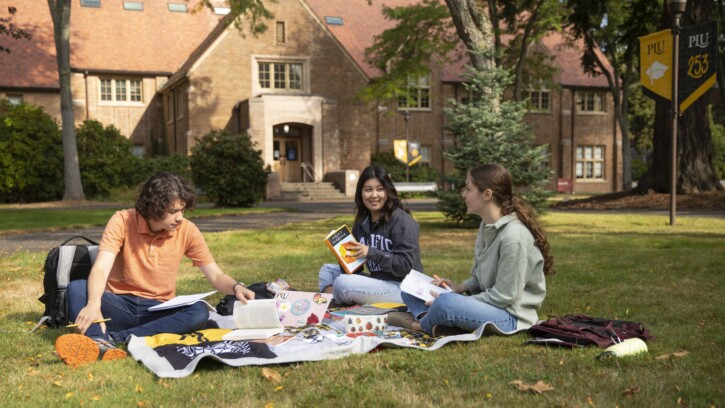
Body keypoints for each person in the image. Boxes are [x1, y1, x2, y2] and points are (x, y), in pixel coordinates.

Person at [54, 172, 256, 367]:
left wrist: (236, 287)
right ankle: (98, 339)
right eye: (172, 211)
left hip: (159, 309)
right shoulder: (122, 220)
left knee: (199, 311)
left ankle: (113, 339)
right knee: (77, 288)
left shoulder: (187, 230)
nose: (179, 217)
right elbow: (101, 267)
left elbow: (216, 275)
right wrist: (93, 304)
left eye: (182, 210)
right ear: (152, 208)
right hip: (119, 305)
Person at [389, 163, 553, 337]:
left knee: (446, 303)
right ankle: (438, 321)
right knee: (409, 288)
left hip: (510, 316)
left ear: (487, 194)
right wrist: (460, 287)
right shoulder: (487, 224)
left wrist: (459, 299)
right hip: (486, 305)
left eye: (468, 189)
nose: (463, 194)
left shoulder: (515, 238)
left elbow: (504, 297)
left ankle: (420, 325)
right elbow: (480, 277)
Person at [318, 166, 423, 305]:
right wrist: (342, 253)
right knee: (328, 270)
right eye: (368, 190)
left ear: (388, 191)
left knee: (343, 283)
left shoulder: (401, 221)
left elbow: (406, 266)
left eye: (380, 189)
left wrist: (370, 252)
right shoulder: (362, 222)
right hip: (378, 282)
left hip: (404, 289)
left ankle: (331, 302)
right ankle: (334, 300)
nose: (374, 195)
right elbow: (355, 270)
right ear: (361, 193)